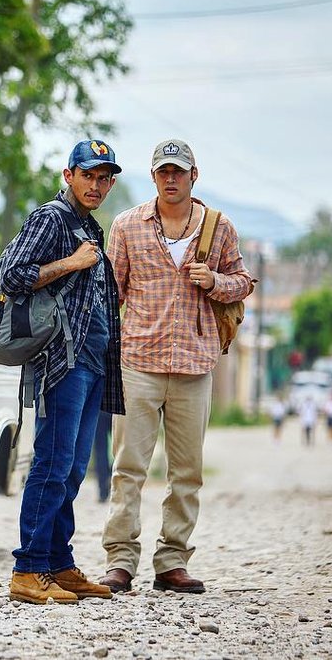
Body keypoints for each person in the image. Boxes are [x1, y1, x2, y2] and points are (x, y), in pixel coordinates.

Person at [99, 138, 254, 595]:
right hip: (139, 362)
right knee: (128, 467)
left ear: (193, 176)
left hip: (194, 363)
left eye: (179, 171)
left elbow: (243, 283)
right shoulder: (126, 226)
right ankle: (121, 561)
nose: (171, 178)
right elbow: (113, 293)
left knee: (186, 471)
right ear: (153, 177)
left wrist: (216, 282)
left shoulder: (219, 228)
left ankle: (171, 562)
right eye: (163, 171)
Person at [1, 139, 126, 605]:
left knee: (73, 469)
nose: (96, 185)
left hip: (94, 365)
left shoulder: (89, 226)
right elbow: (14, 275)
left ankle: (58, 563)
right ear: (68, 174)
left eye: (104, 178)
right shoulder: (50, 218)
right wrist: (72, 262)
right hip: (62, 363)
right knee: (52, 464)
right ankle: (28, 569)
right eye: (88, 175)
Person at [94, 412, 113, 501]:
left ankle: (103, 492)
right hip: (118, 406)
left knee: (100, 450)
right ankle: (112, 473)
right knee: (122, 446)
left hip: (99, 408)